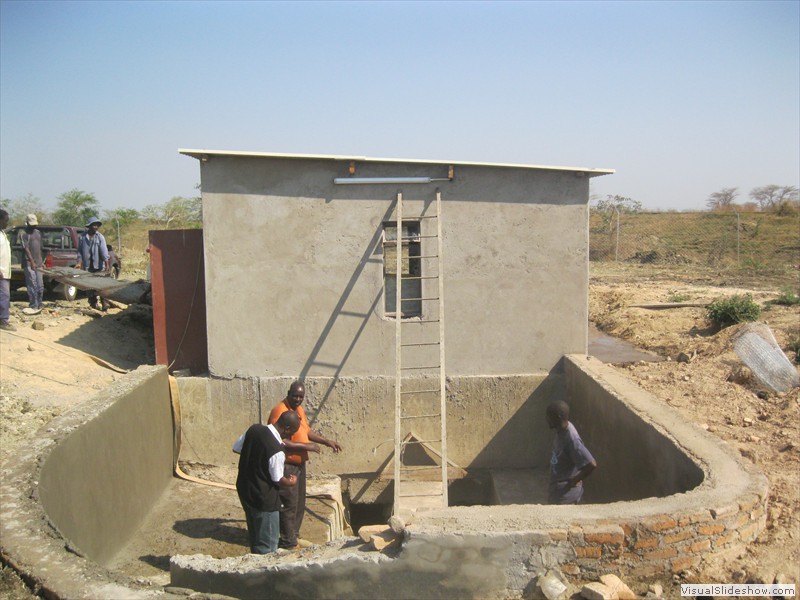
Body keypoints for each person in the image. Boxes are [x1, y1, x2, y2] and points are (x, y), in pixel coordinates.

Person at [268, 380, 342, 549]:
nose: (298, 400)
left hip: (300, 464)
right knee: (289, 504)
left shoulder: (298, 409)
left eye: (301, 397)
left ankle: (294, 536)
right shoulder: (280, 411)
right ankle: (287, 542)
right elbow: (278, 439)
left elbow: (306, 431)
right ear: (288, 393)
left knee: (300, 502)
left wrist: (326, 441)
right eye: (295, 396)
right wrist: (305, 446)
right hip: (287, 464)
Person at [236, 411, 301, 554]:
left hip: (246, 492)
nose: (290, 437)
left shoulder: (254, 429)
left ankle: (254, 567)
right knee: (267, 547)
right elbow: (278, 479)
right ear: (287, 428)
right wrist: (291, 482)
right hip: (264, 500)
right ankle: (264, 574)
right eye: (292, 433)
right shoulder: (276, 450)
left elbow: (237, 448)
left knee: (255, 536)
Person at [546, 400, 596, 504]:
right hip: (558, 492)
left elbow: (591, 464)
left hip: (566, 498)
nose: (547, 419)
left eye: (549, 416)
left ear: (558, 417)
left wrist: (574, 480)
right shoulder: (561, 430)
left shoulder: (572, 439)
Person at [76, 216, 110, 311]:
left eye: (97, 225)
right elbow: (79, 252)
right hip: (87, 267)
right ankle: (93, 304)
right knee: (90, 287)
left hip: (99, 266)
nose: (95, 227)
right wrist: (79, 262)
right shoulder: (82, 237)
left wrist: (107, 264)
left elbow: (104, 252)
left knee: (102, 286)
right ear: (89, 226)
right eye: (93, 225)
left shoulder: (100, 237)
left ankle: (105, 303)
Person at [21, 214, 44, 313]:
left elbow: (40, 248)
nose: (34, 226)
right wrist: (32, 261)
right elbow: (26, 249)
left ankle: (40, 303)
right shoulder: (24, 234)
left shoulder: (38, 233)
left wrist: (41, 261)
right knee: (32, 284)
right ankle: (33, 304)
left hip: (38, 262)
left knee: (40, 285)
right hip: (29, 263)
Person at [0, 209, 15, 331]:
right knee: (5, 296)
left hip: (5, 271)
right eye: (6, 221)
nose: (7, 223)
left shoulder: (3, 234)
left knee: (4, 296)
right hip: (1, 272)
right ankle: (4, 320)